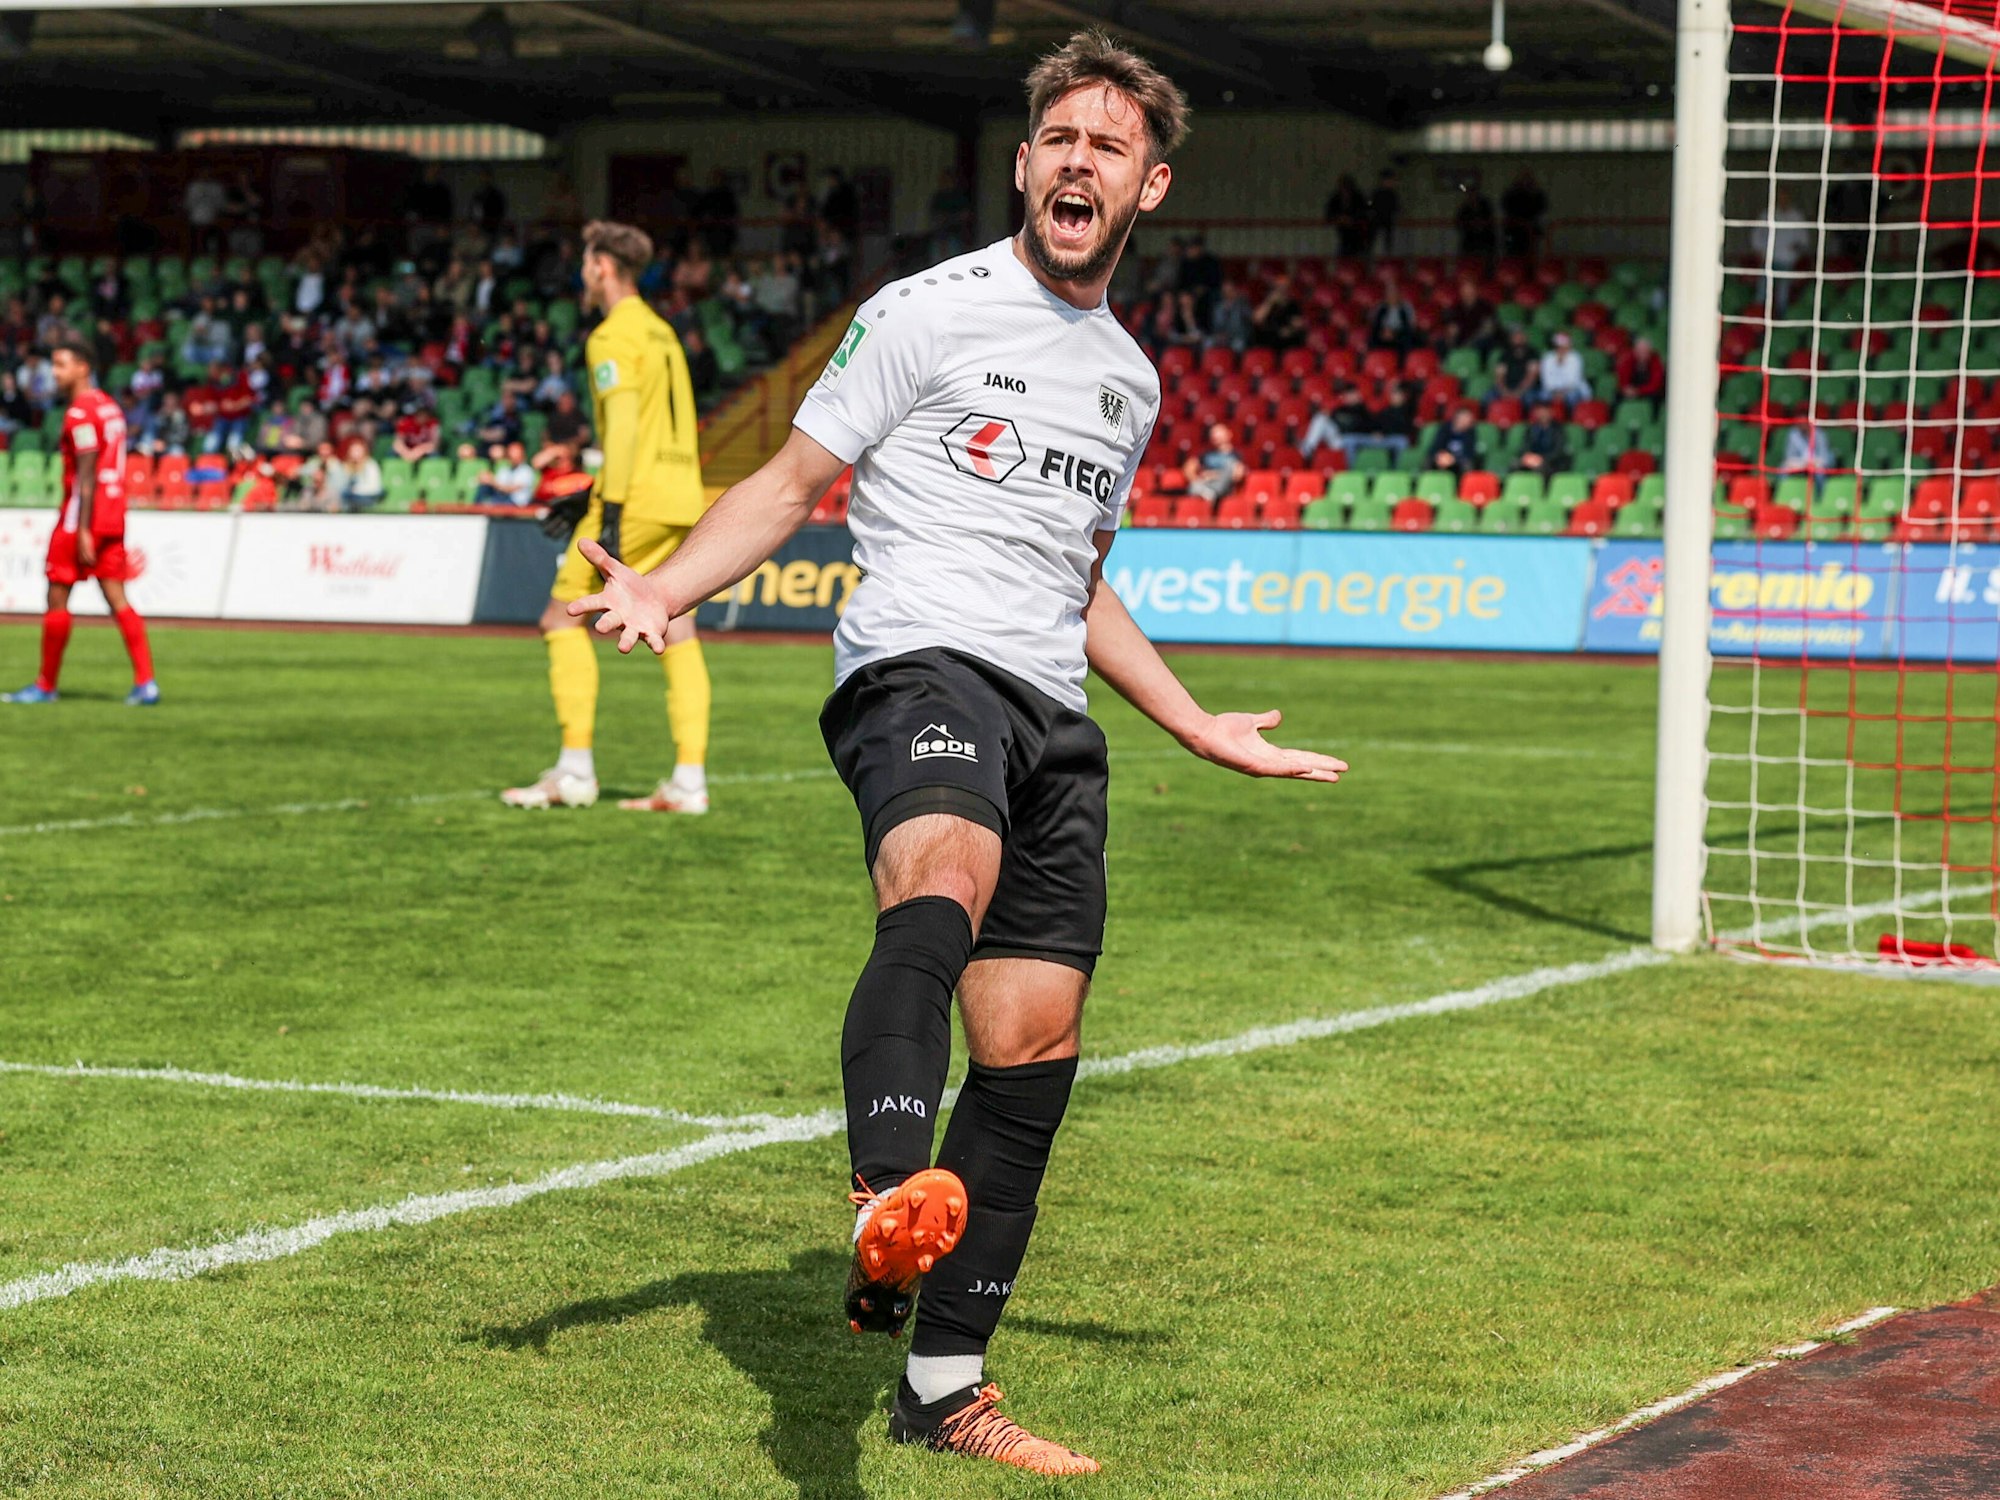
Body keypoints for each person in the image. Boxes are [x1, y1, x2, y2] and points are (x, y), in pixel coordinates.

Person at [560, 32, 1344, 1474]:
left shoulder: (1130, 380)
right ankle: (884, 1189)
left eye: (1107, 147)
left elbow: (1079, 573)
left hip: (1056, 711)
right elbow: (794, 482)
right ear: (1025, 162)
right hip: (921, 662)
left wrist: (1190, 720)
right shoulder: (925, 311)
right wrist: (666, 588)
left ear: (1149, 186)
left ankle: (942, 1387)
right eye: (1058, 139)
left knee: (1033, 1044)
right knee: (942, 872)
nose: (1076, 162)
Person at [502, 219, 715, 816]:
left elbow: (622, 427)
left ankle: (573, 772)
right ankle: (689, 781)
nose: (582, 273)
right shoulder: (662, 330)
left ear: (600, 266)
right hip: (679, 493)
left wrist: (610, 509)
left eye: (585, 262)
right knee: (679, 632)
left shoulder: (611, 335)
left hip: (635, 495)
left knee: (559, 619)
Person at [4, 341, 157, 707]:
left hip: (81, 516)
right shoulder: (110, 408)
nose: (54, 373)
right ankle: (146, 682)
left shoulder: (79, 413)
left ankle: (45, 685)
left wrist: (84, 527)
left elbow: (85, 472)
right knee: (117, 596)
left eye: (61, 365)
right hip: (113, 511)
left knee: (57, 593)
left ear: (83, 367)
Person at [1182, 422, 1246, 500]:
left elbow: (1238, 475)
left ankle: (1211, 495)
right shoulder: (1206, 454)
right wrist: (1197, 478)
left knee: (1231, 464)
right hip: (1206, 484)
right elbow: (1189, 467)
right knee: (1194, 486)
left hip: (1224, 488)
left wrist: (1213, 475)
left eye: (1219, 432)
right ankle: (1209, 495)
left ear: (1229, 434)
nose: (1215, 435)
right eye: (1213, 433)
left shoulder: (1236, 455)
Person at [1501, 169, 1549, 260]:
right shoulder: (1511, 194)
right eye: (1523, 178)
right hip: (1513, 232)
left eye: (1528, 178)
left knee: (1531, 258)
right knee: (1513, 257)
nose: (1525, 181)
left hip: (1530, 232)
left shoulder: (1537, 194)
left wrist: (1533, 190)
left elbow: (1542, 207)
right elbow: (1506, 206)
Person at [1250, 274, 1306, 350]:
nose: (1281, 290)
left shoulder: (1292, 304)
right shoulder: (1267, 302)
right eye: (1278, 288)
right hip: (1268, 337)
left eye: (1284, 288)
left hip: (1286, 337)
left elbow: (1299, 324)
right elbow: (1257, 319)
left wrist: (1290, 330)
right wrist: (1270, 302)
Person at [473, 440, 538, 506]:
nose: (512, 457)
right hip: (502, 500)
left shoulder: (526, 471)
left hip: (517, 504)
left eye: (515, 454)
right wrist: (486, 479)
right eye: (510, 454)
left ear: (522, 455)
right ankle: (475, 509)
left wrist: (492, 481)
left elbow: (509, 489)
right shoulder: (505, 469)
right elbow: (499, 486)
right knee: (484, 488)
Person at [1368, 276, 1420, 354]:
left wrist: (1395, 333)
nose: (1392, 295)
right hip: (1384, 333)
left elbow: (1412, 324)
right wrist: (1385, 331)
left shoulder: (1406, 307)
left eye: (1394, 292)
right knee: (1372, 338)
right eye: (1390, 293)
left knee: (1410, 338)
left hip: (1401, 333)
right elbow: (1373, 322)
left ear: (1399, 294)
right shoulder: (1381, 307)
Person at [1537, 329, 1590, 405]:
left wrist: (1562, 393)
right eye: (1559, 345)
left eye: (1565, 345)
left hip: (1573, 389)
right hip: (1553, 390)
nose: (1562, 348)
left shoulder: (1575, 357)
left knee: (1572, 397)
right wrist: (1555, 392)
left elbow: (1574, 381)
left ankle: (1572, 416)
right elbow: (1546, 380)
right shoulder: (1548, 357)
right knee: (1543, 396)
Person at [1515, 401, 1568, 473]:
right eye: (1540, 412)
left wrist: (1541, 459)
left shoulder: (1558, 429)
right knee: (1515, 465)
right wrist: (1527, 457)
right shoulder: (1531, 429)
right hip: (1532, 459)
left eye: (1545, 412)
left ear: (1551, 413)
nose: (1543, 415)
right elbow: (1525, 446)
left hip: (1551, 461)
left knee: (1540, 469)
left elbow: (1558, 450)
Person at [1324, 172, 1369, 257]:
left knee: (1359, 258)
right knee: (1343, 258)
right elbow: (1328, 214)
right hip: (1343, 235)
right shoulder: (1336, 198)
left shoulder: (1358, 197)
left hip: (1359, 235)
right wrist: (1339, 218)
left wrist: (1352, 219)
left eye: (1346, 186)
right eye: (1342, 187)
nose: (1344, 190)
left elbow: (1365, 212)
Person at [1492, 325, 1539, 404]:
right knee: (1489, 396)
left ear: (1525, 338)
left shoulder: (1533, 354)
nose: (1518, 339)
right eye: (1515, 336)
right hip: (1507, 388)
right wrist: (1504, 391)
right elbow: (1499, 376)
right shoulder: (1505, 354)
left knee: (1529, 398)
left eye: (1520, 336)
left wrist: (1519, 392)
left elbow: (1531, 376)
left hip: (1526, 389)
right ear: (1511, 339)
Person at [1429, 406, 1483, 472]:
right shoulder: (1445, 428)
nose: (1470, 422)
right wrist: (1441, 456)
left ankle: (1466, 482)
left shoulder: (1471, 432)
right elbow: (1436, 446)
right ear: (1458, 419)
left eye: (1470, 420)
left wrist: (1454, 459)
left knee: (1468, 464)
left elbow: (1469, 452)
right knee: (1429, 461)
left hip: (1460, 459)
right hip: (1444, 456)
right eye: (1466, 419)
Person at [1616, 336, 1666, 404]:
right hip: (1632, 388)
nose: (1641, 354)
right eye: (1639, 351)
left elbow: (1655, 384)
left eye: (1645, 351)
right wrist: (1626, 389)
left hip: (1649, 391)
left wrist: (1638, 391)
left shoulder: (1656, 361)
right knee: (1618, 396)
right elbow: (1623, 378)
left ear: (1650, 351)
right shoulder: (1628, 359)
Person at [1369, 167, 1400, 255]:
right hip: (1376, 226)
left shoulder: (1393, 195)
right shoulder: (1376, 194)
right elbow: (1371, 208)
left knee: (1388, 248)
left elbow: (1396, 209)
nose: (1393, 182)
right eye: (1391, 180)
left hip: (1388, 226)